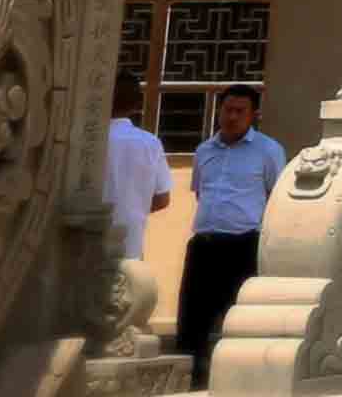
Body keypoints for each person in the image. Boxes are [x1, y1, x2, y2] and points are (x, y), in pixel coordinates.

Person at [175, 87, 291, 381]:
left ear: (254, 115)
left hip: (243, 246)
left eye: (240, 111)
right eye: (228, 110)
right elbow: (201, 193)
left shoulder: (268, 150)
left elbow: (276, 198)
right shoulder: (204, 151)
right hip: (204, 245)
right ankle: (191, 380)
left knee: (239, 318)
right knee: (192, 319)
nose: (232, 117)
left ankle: (238, 379)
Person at [100, 99, 173, 300]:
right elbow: (162, 198)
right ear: (135, 106)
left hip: (84, 239)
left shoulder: (86, 139)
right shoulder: (150, 142)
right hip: (131, 241)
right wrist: (134, 206)